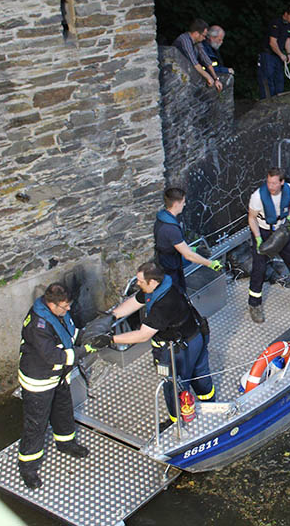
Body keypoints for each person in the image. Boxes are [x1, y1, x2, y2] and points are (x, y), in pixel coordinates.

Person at [17, 283, 109, 489]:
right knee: (36, 424)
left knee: (63, 410)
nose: (68, 309)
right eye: (65, 306)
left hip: (58, 376)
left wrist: (93, 333)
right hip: (39, 381)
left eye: (69, 305)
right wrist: (86, 349)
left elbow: (71, 333)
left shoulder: (58, 314)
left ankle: (66, 443)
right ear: (51, 304)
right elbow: (54, 355)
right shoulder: (38, 326)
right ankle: (28, 467)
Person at [111, 262, 215, 431]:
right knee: (200, 374)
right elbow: (135, 302)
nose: (137, 284)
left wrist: (110, 340)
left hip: (179, 350)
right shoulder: (164, 284)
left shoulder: (164, 305)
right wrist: (112, 316)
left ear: (152, 282)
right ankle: (211, 407)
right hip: (194, 337)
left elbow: (143, 335)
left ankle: (179, 423)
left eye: (140, 281)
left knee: (174, 387)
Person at [247, 168, 290, 323]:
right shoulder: (257, 197)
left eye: (274, 183)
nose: (271, 186)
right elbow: (251, 218)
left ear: (282, 182)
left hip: (282, 231)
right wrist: (258, 239)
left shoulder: (289, 190)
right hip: (263, 232)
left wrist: (289, 219)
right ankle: (254, 304)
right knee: (259, 269)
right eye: (269, 182)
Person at [154, 187, 223, 294]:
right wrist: (210, 263)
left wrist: (194, 249)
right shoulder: (170, 228)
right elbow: (188, 255)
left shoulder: (162, 217)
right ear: (176, 204)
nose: (184, 205)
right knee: (176, 293)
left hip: (167, 260)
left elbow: (174, 246)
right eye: (183, 202)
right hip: (170, 268)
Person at [258, 6, 290, 99]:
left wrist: (288, 54)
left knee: (279, 80)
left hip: (278, 57)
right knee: (268, 80)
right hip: (268, 55)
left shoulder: (289, 25)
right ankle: (267, 102)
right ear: (286, 14)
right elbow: (272, 42)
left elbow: (287, 39)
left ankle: (279, 100)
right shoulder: (276, 23)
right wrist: (281, 54)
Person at [172, 18, 223, 92]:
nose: (205, 38)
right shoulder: (185, 40)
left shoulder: (197, 42)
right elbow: (194, 63)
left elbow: (206, 59)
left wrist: (216, 79)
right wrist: (209, 77)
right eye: (203, 35)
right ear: (196, 33)